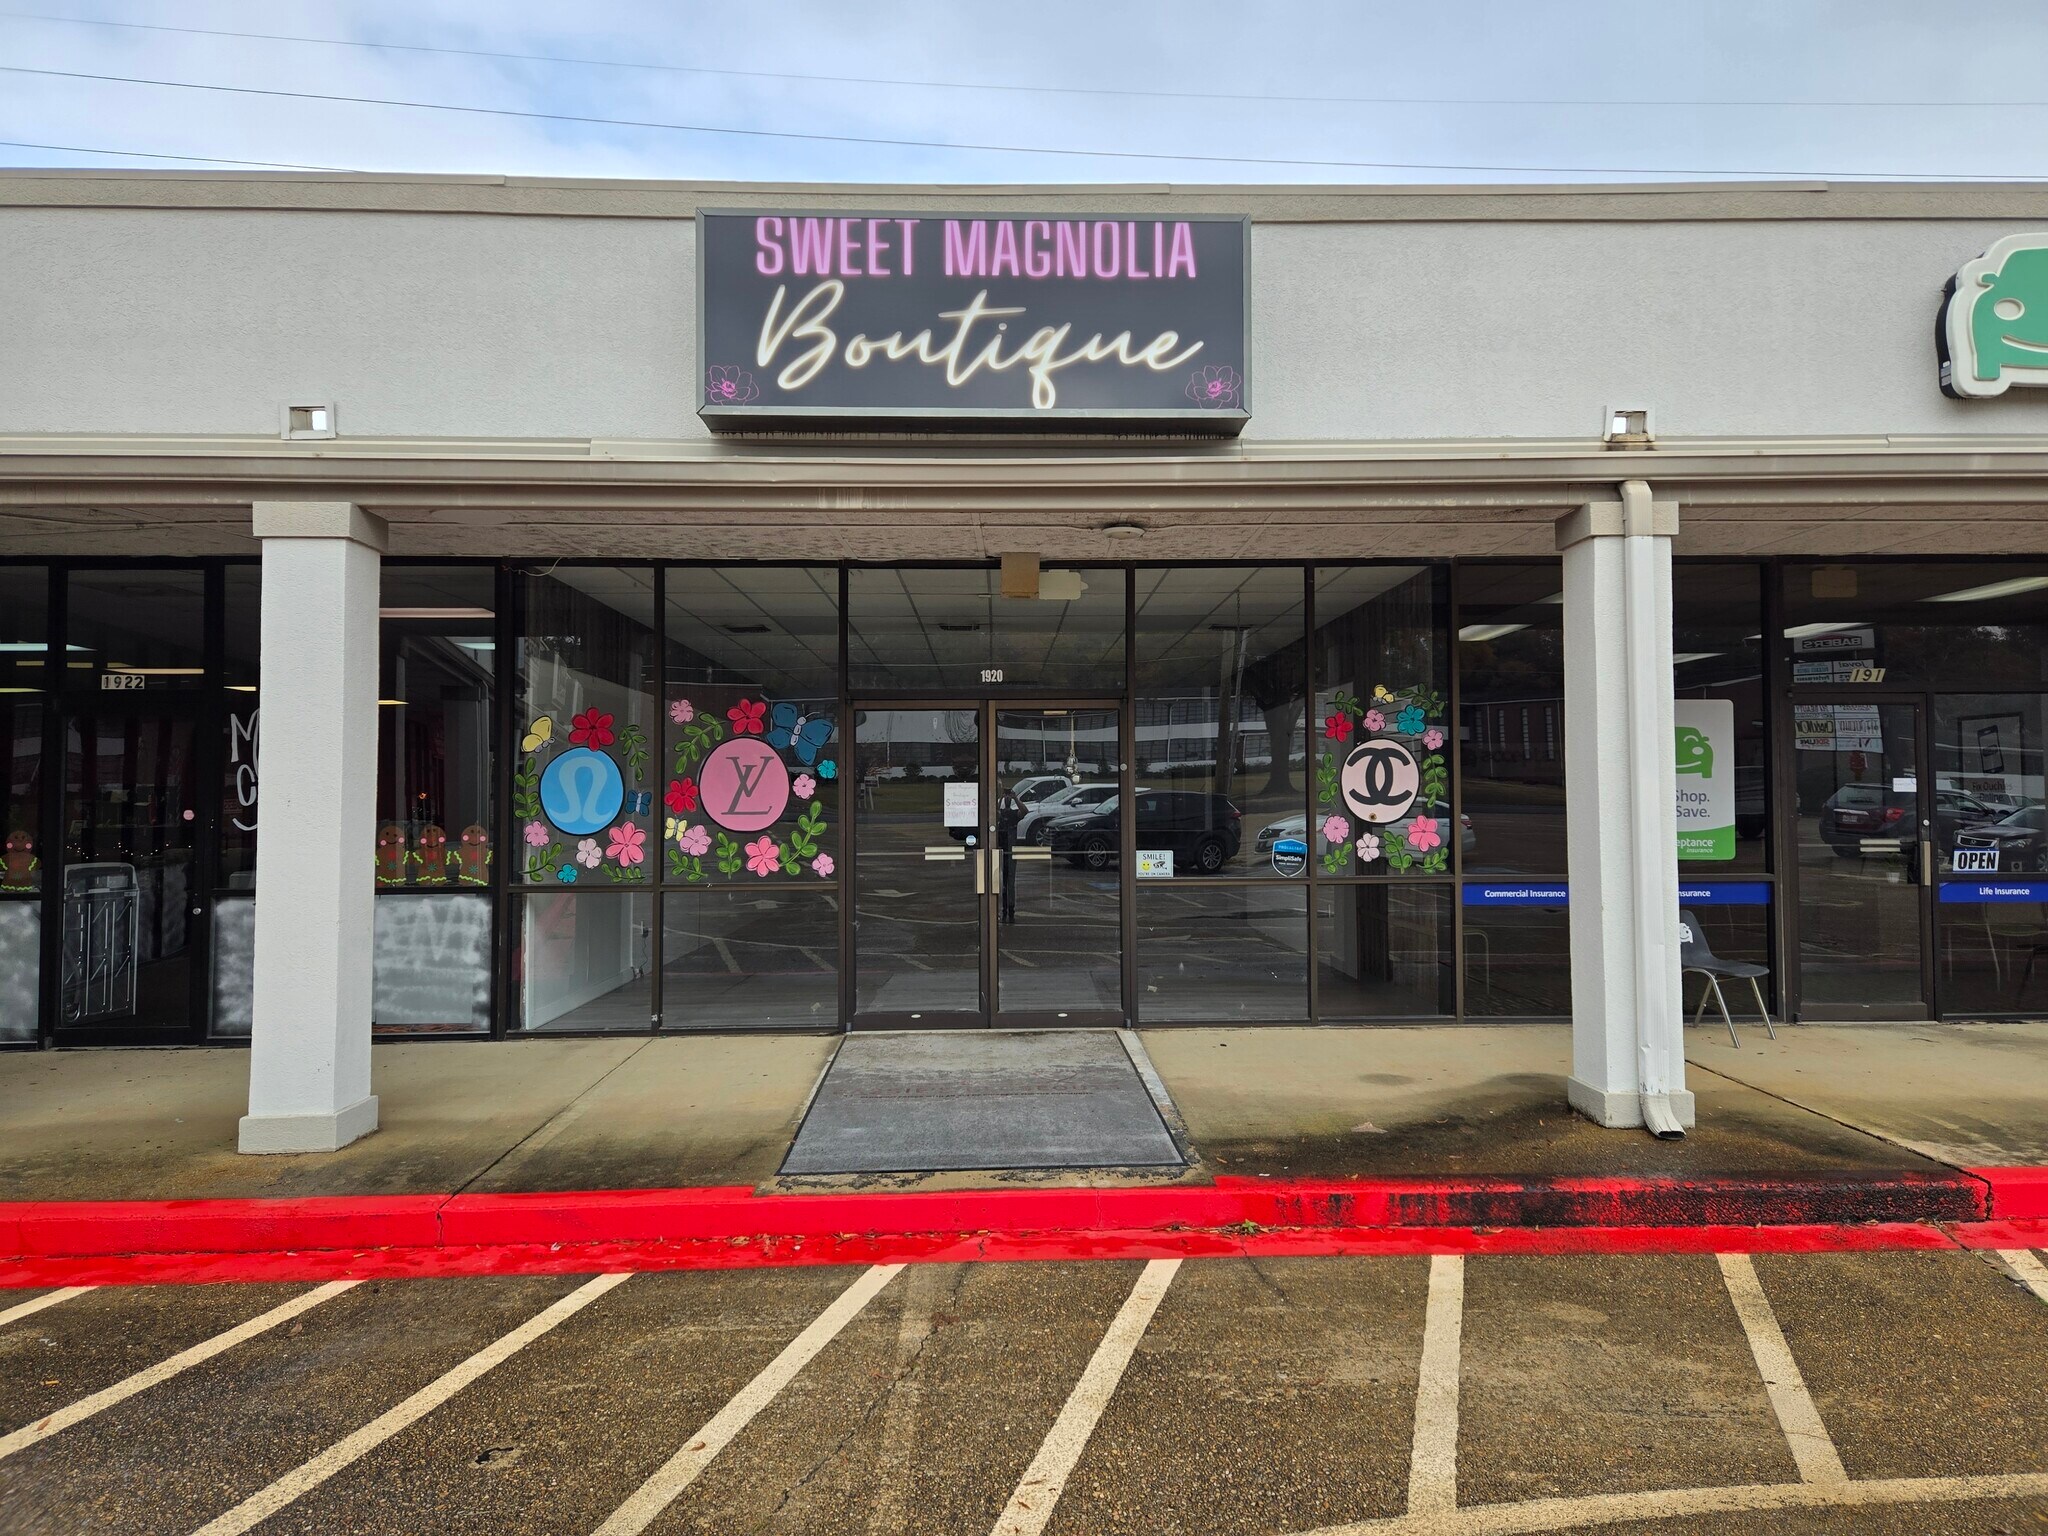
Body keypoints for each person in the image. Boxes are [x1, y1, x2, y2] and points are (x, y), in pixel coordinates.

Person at [996, 789, 1022, 923]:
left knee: (1010, 882)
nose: (1007, 799)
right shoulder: (1001, 814)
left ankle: (1010, 909)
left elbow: (1024, 811)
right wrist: (1000, 799)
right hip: (1001, 852)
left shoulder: (1013, 814)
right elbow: (994, 813)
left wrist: (1016, 798)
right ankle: (1003, 909)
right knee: (1001, 883)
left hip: (1010, 852)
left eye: (1008, 797)